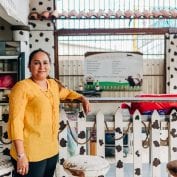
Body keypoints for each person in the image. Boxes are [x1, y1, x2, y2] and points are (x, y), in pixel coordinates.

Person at [7, 49, 91, 177]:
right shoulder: (21, 87)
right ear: (29, 66)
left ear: (50, 66)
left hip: (51, 150)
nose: (42, 67)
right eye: (36, 63)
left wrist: (82, 98)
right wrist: (21, 155)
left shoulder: (52, 84)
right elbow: (15, 122)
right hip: (30, 153)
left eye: (45, 63)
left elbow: (67, 93)